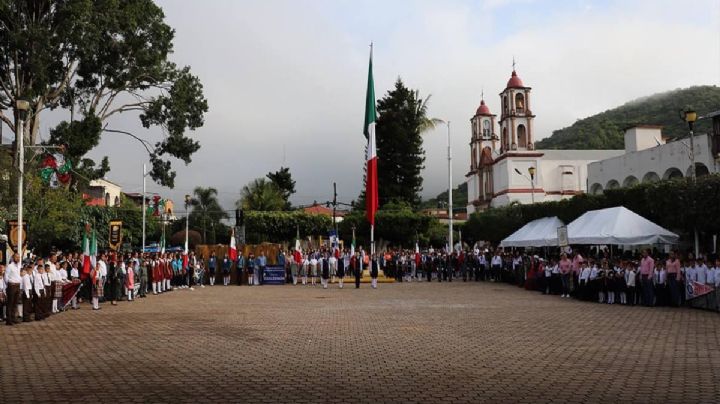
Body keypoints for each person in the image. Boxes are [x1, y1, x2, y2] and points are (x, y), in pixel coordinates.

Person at [5, 254, 22, 325]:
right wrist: (9, 284)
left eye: (19, 257)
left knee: (15, 303)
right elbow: (6, 276)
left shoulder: (18, 266)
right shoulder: (10, 266)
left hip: (18, 285)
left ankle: (13, 318)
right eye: (16, 257)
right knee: (10, 303)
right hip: (12, 286)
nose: (18, 259)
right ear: (13, 258)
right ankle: (9, 320)